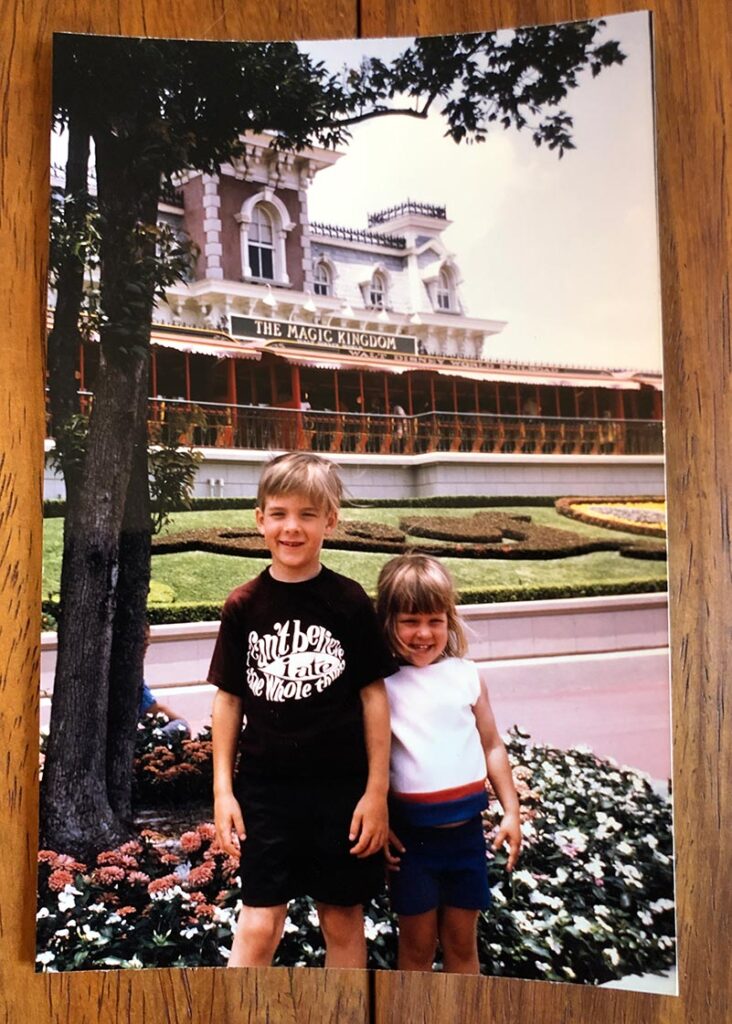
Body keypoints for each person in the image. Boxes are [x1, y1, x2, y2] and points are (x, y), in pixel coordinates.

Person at [208, 452, 396, 969]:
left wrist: (376, 791)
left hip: (341, 792)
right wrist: (223, 790)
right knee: (260, 923)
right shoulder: (243, 605)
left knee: (341, 919)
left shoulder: (350, 602)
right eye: (280, 513)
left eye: (308, 514)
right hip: (266, 792)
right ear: (260, 519)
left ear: (331, 520)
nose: (292, 527)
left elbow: (373, 697)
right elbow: (228, 700)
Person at [376, 554, 521, 975]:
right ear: (387, 621)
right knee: (417, 951)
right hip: (412, 846)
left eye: (435, 621)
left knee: (462, 947)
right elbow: (374, 762)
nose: (424, 633)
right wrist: (381, 819)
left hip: (466, 841)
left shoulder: (466, 676)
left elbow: (492, 745)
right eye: (410, 621)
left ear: (449, 621)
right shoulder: (381, 685)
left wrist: (511, 810)